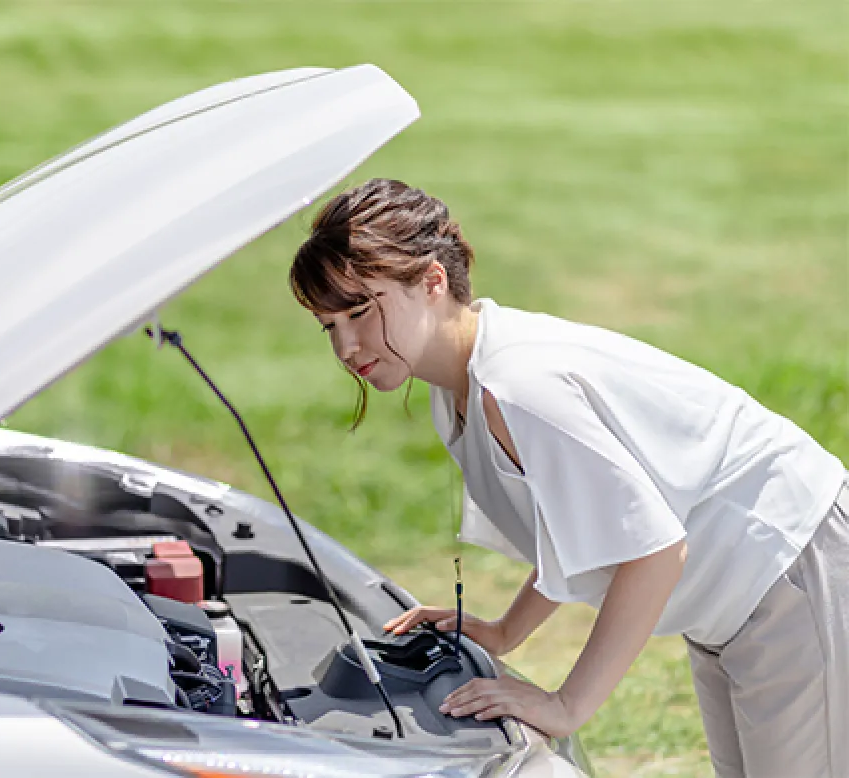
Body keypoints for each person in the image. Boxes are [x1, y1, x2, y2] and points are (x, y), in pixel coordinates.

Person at [288, 178, 847, 778]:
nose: (346, 345)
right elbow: (578, 519)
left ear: (431, 281)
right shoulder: (456, 385)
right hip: (736, 598)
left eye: (360, 310)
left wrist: (567, 704)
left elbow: (657, 550)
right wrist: (504, 633)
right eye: (328, 325)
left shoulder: (516, 386)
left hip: (791, 564)